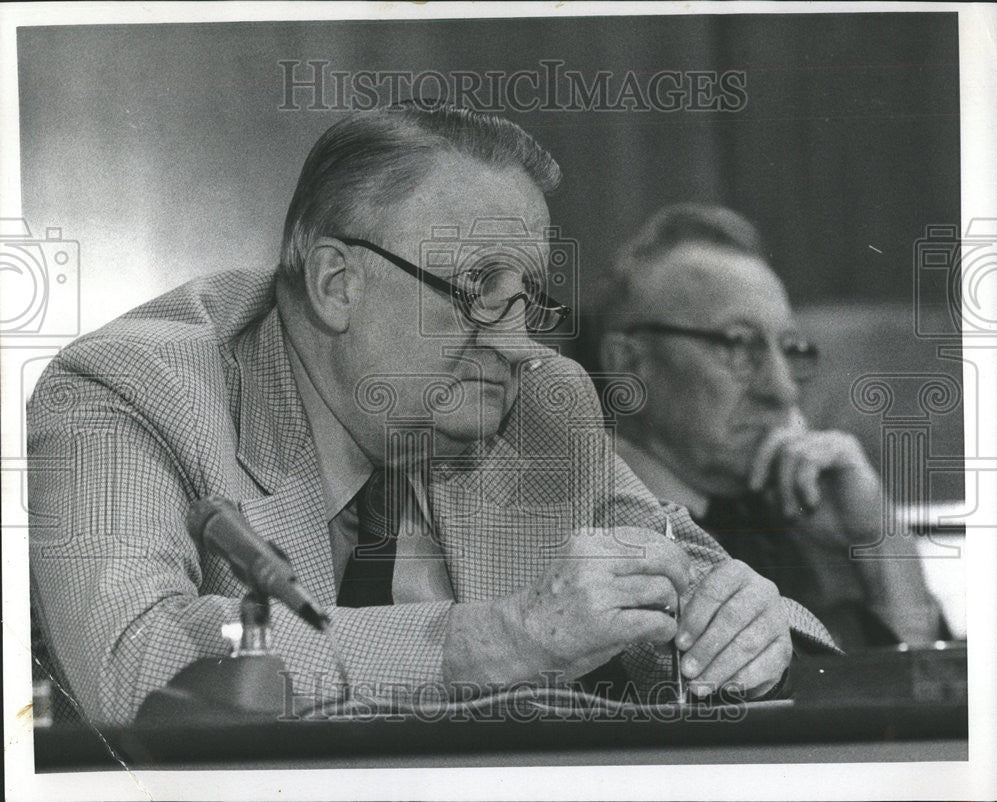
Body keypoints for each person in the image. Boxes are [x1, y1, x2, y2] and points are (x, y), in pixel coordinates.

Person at [28, 106, 835, 726]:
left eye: (527, 299)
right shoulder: (130, 389)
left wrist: (751, 637)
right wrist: (492, 644)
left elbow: (760, 621)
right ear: (337, 282)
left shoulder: (540, 409)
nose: (517, 345)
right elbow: (132, 669)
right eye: (477, 291)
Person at [598, 203, 947, 651]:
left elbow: (927, 701)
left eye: (789, 347)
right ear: (628, 363)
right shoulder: (577, 529)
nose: (782, 390)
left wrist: (876, 542)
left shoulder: (804, 517)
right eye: (739, 344)